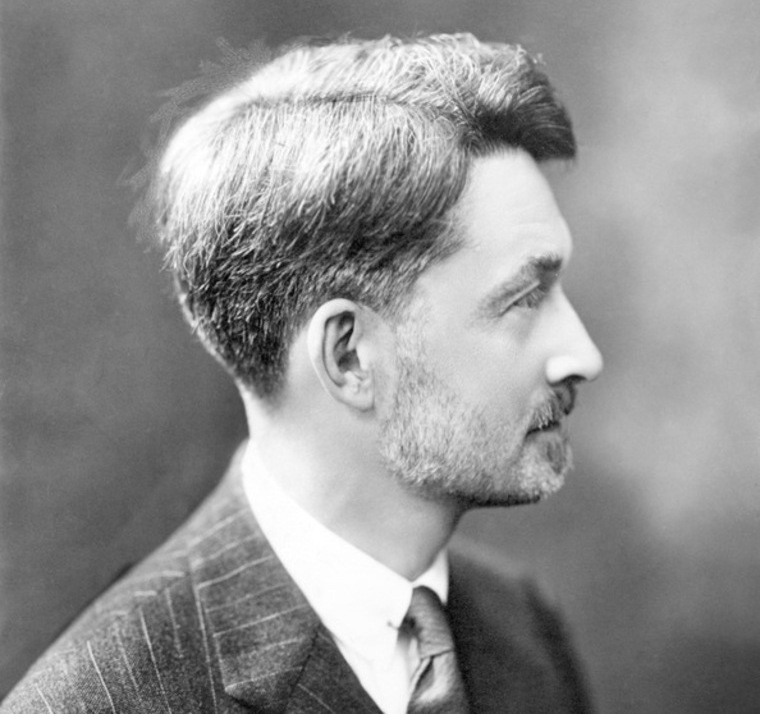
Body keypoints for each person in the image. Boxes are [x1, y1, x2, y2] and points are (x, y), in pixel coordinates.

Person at [2, 33, 603, 713]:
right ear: (349, 356)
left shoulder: (520, 628)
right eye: (522, 300)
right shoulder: (100, 702)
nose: (584, 354)